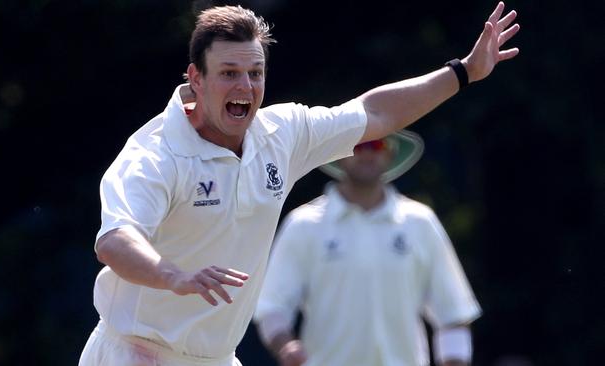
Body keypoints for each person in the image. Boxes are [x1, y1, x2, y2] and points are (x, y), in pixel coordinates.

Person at [79, 2, 519, 366]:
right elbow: (115, 241)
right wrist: (171, 275)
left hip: (216, 358)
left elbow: (376, 115)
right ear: (195, 78)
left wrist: (462, 73)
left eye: (255, 73)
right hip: (134, 353)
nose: (245, 86)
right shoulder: (156, 154)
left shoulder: (281, 134)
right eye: (229, 73)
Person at [254, 133, 482, 366]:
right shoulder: (304, 225)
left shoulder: (420, 222)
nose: (367, 153)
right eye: (357, 146)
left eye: (376, 144)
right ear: (339, 155)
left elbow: (453, 314)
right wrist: (286, 346)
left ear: (390, 154)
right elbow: (272, 308)